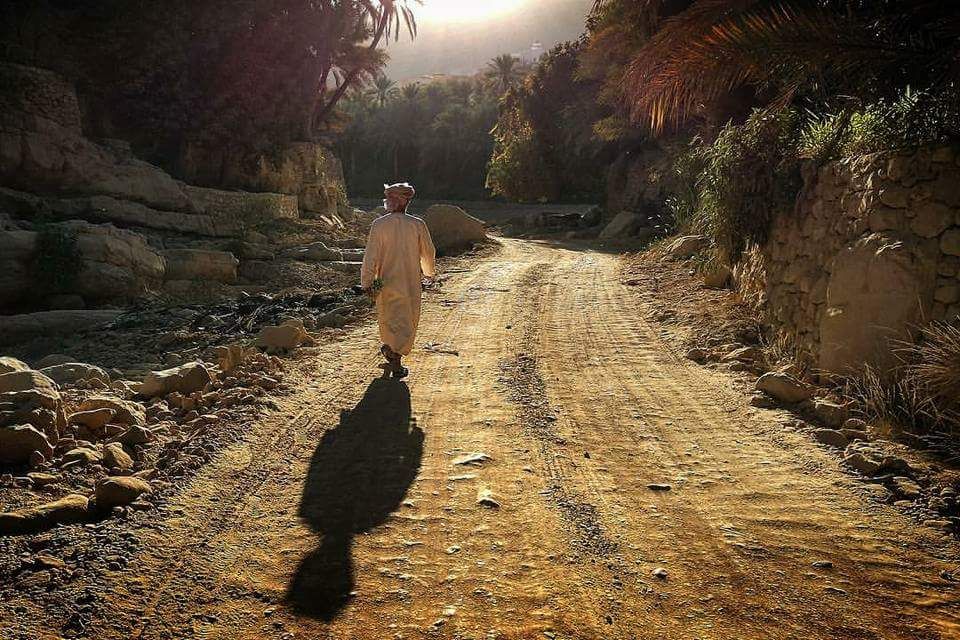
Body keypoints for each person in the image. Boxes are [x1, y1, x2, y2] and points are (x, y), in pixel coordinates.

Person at [360, 182, 436, 378]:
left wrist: (367, 283)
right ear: (407, 201)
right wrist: (429, 274)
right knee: (407, 320)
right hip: (410, 283)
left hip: (382, 282)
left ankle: (391, 352)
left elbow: (371, 256)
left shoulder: (379, 225)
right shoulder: (417, 224)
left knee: (387, 316)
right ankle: (395, 357)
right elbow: (428, 254)